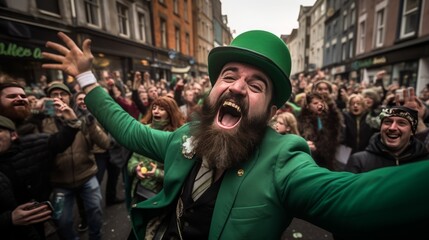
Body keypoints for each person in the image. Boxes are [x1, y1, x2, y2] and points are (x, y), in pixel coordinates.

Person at [42, 30, 429, 240]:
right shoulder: (185, 138)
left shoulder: (284, 160)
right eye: (229, 76)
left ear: (273, 112)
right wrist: (87, 79)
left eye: (256, 85)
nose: (238, 88)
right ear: (213, 91)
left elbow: (351, 200)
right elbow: (130, 129)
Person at [0, 99, 79, 239]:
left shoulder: (33, 145)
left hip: (38, 223)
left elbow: (60, 141)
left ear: (13, 135)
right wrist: (9, 219)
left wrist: (72, 122)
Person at [42, 83, 110, 240]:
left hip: (86, 175)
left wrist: (90, 121)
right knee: (62, 220)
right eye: (54, 94)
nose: (59, 97)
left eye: (63, 94)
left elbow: (105, 143)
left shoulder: (83, 118)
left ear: (69, 97)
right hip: (60, 182)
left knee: (95, 211)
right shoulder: (44, 122)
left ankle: (95, 237)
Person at [127, 96, 185, 207]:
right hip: (140, 189)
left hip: (162, 194)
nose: (156, 111)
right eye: (154, 108)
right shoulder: (144, 131)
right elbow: (133, 158)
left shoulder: (176, 136)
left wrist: (157, 174)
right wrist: (135, 168)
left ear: (170, 113)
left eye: (161, 109)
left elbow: (179, 173)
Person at [345, 106, 429, 173]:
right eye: (387, 122)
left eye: (401, 123)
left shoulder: (424, 162)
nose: (392, 128)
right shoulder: (360, 161)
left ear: (412, 131)